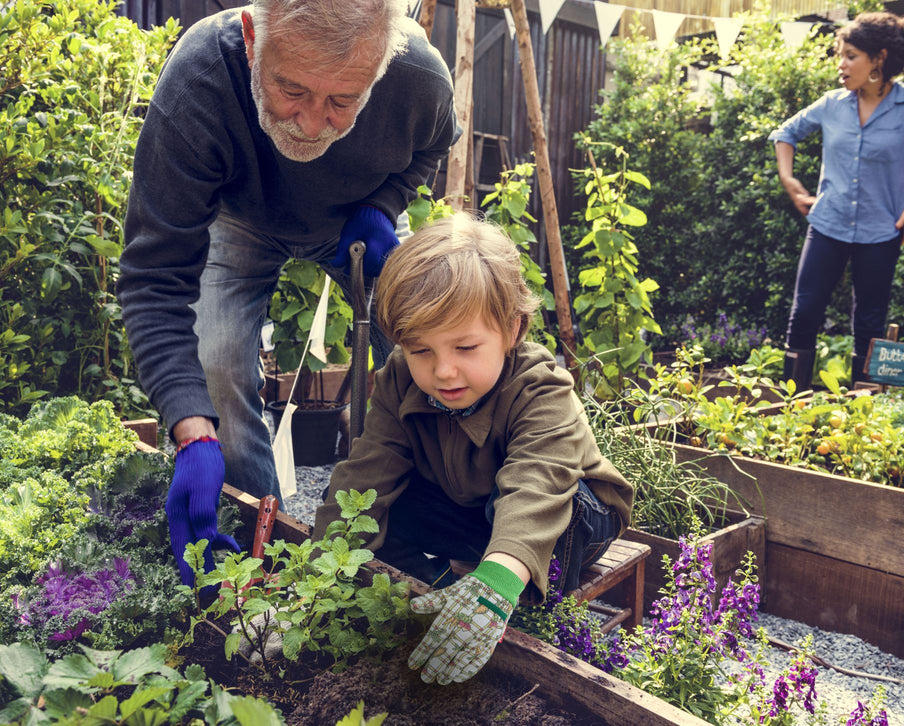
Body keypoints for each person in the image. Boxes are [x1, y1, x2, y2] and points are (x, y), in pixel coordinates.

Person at [116, 0, 458, 586]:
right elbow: (155, 278)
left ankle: (439, 526)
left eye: (342, 102)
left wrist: (383, 206)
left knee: (434, 344)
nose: (309, 121)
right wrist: (191, 430)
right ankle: (261, 554)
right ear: (253, 37)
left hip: (356, 220)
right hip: (239, 221)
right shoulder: (201, 79)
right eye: (291, 89)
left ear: (380, 66)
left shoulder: (417, 76)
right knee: (216, 371)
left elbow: (431, 145)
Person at [312, 212, 634, 685]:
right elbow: (365, 474)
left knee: (553, 507)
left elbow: (535, 485)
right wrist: (312, 584)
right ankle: (442, 593)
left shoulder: (540, 386)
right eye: (422, 350)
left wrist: (498, 583)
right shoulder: (399, 378)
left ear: (513, 329)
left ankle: (513, 611)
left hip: (569, 515)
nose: (443, 372)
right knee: (379, 509)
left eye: (465, 348)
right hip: (473, 508)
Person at [770, 11, 904, 388]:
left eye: (850, 55)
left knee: (869, 324)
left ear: (878, 59)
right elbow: (786, 133)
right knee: (803, 315)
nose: (841, 64)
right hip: (827, 224)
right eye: (840, 54)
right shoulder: (832, 103)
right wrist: (789, 178)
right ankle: (790, 408)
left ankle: (863, 417)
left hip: (881, 232)